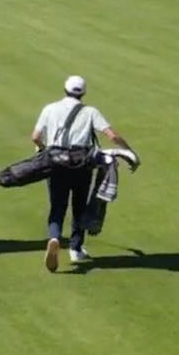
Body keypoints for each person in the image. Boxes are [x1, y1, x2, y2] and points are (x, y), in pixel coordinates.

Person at [31, 75, 134, 272]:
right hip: (81, 165)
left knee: (57, 205)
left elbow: (35, 137)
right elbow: (112, 135)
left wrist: (43, 148)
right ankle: (76, 248)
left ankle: (54, 236)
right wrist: (129, 151)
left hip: (56, 163)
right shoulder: (90, 111)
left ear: (64, 89)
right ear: (83, 92)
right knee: (79, 205)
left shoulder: (50, 108)